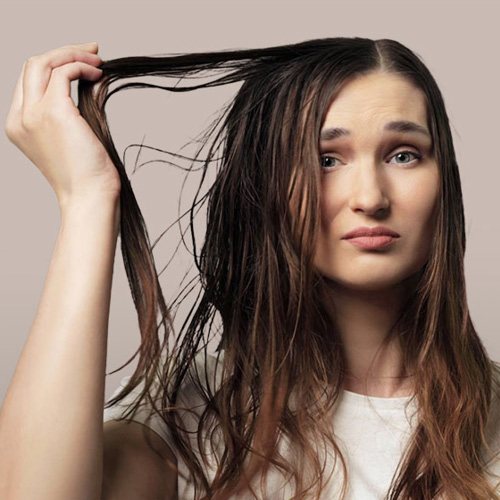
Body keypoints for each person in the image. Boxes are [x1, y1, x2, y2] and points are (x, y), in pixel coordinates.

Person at [2, 37, 500, 500]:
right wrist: (87, 198)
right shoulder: (196, 414)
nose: (370, 198)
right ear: (267, 186)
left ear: (444, 185)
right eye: (326, 160)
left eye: (404, 155)